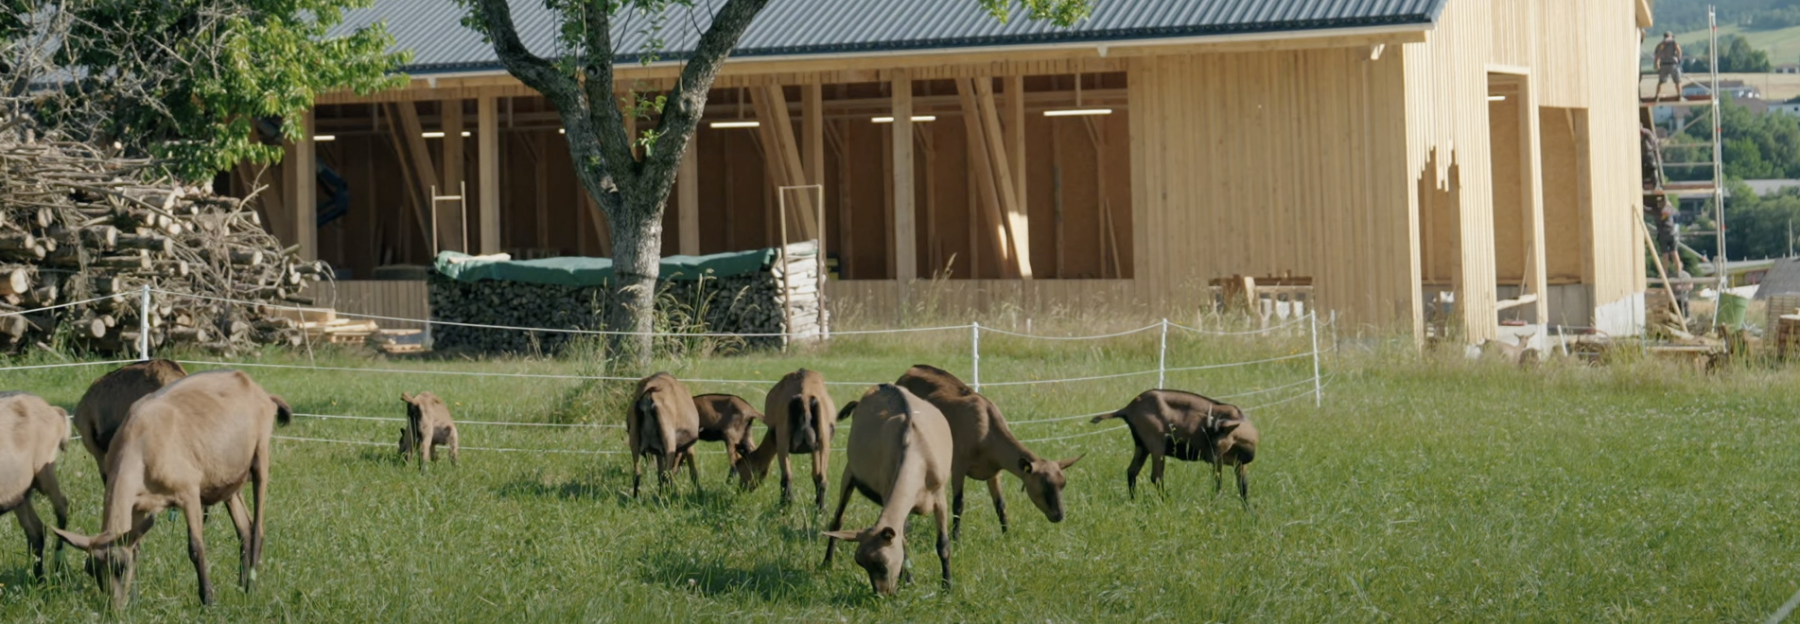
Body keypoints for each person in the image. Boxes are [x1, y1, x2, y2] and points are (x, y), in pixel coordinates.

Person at [1653, 33, 1683, 102]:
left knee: (1661, 81)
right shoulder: (1673, 42)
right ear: (1670, 36)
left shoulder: (1660, 44)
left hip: (1663, 64)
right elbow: (1679, 50)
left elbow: (1657, 54)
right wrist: (1679, 59)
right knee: (1678, 81)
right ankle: (1679, 96)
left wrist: (1657, 63)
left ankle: (1657, 96)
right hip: (1673, 64)